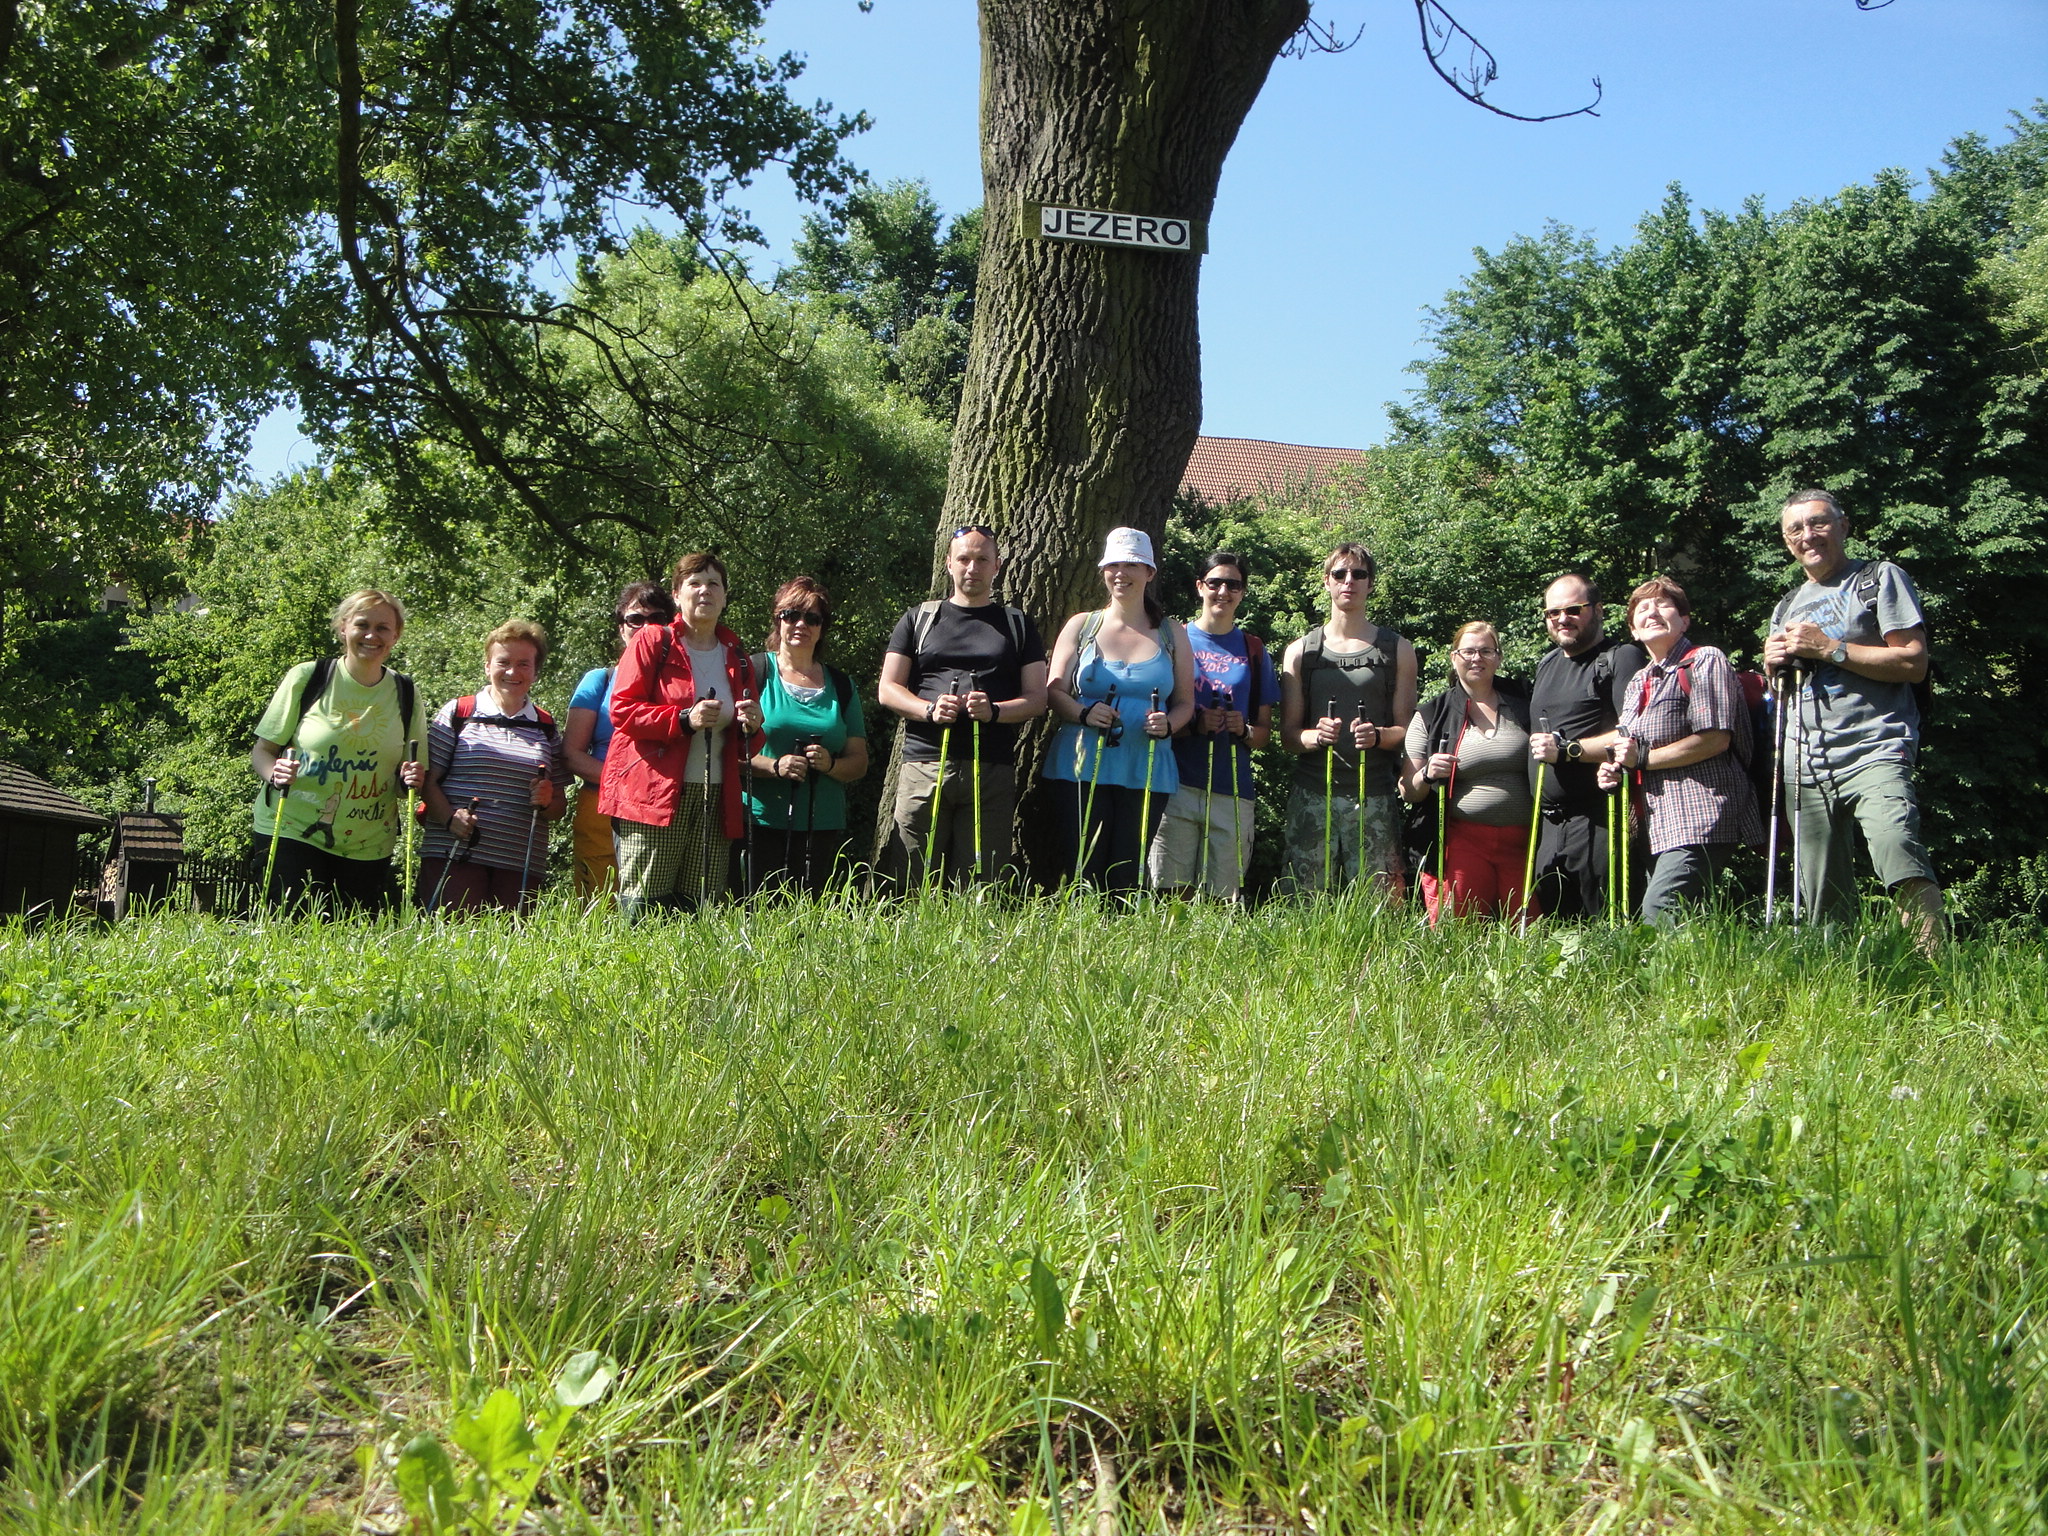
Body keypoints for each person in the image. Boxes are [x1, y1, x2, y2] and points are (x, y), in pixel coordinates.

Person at [1763, 488, 1942, 950]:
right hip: (1804, 758)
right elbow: (1779, 693)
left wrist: (1830, 648)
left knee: (1896, 848)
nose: (1808, 535)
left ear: (1843, 526)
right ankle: (1840, 980)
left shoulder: (1879, 579)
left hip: (1875, 745)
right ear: (1787, 541)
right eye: (1796, 529)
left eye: (1819, 522)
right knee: (1821, 888)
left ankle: (1932, 969)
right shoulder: (1785, 606)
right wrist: (1771, 665)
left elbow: (1913, 662)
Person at [879, 525, 1048, 886]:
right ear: (949, 564)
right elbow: (888, 689)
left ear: (997, 565)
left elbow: (1038, 699)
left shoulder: (1017, 624)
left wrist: (996, 710)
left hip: (990, 769)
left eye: (982, 559)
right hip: (924, 764)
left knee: (981, 883)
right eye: (964, 559)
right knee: (910, 877)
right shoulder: (919, 618)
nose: (972, 568)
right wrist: (928, 709)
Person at [600, 552, 764, 917]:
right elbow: (622, 710)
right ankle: (638, 973)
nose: (704, 591)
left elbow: (748, 746)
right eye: (694, 583)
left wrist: (752, 724)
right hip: (654, 796)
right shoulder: (653, 641)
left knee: (700, 905)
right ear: (677, 594)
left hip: (717, 797)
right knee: (645, 904)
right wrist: (684, 719)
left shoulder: (737, 656)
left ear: (724, 595)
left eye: (714, 584)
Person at [1596, 578, 1763, 926]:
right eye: (1642, 608)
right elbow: (1628, 745)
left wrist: (1642, 759)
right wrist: (1615, 768)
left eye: (1663, 604)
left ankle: (1654, 980)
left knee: (1660, 911)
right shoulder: (1638, 681)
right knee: (1686, 921)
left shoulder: (1704, 661)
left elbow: (1715, 738)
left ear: (1685, 620)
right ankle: (1696, 979)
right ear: (1633, 631)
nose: (1652, 612)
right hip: (1655, 822)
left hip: (1701, 813)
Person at [251, 589, 428, 913]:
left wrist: (410, 780)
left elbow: (409, 781)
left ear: (396, 635)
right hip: (292, 827)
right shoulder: (309, 677)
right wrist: (274, 773)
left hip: (369, 842)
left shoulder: (405, 692)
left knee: (350, 946)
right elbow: (263, 751)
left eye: (383, 628)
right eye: (362, 624)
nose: (371, 635)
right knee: (288, 935)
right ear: (343, 627)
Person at [1045, 527, 1196, 891]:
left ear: (1150, 573)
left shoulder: (1172, 633)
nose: (1120, 573)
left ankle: (1122, 943)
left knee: (1128, 872)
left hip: (1146, 766)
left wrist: (1168, 724)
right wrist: (1083, 713)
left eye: (1132, 564)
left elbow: (1187, 703)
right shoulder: (1081, 626)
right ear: (1103, 572)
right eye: (1113, 565)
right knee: (1082, 868)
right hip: (1080, 764)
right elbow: (1054, 691)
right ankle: (1078, 942)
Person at [1278, 544, 1417, 896]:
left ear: (1371, 584)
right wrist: (1314, 736)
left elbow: (1407, 731)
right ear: (1327, 582)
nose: (1348, 581)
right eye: (1339, 574)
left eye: (1359, 574)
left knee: (1381, 909)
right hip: (1313, 794)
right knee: (1302, 904)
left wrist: (1378, 735)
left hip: (1374, 795)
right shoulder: (1301, 652)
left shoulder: (1397, 649)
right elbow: (1289, 737)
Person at [417, 619, 572, 912]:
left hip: (519, 864)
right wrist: (451, 819)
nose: (513, 672)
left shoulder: (546, 726)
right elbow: (427, 780)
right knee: (451, 945)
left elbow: (558, 807)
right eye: (503, 662)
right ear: (488, 666)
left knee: (510, 951)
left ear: (536, 672)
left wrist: (548, 799)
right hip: (455, 853)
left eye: (524, 664)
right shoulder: (458, 713)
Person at [1148, 551, 1277, 899]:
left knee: (1223, 898)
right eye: (1215, 582)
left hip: (1231, 789)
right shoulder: (1175, 639)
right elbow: (1153, 710)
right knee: (1172, 894)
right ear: (1199, 586)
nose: (1223, 591)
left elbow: (1264, 732)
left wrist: (1244, 729)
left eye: (1233, 584)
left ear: (1243, 592)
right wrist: (1192, 724)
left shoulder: (1253, 649)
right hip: (1176, 783)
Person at [1398, 622, 1536, 923]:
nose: (1477, 658)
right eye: (1469, 651)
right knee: (1461, 930)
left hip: (1528, 840)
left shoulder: (1527, 701)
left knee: (1530, 931)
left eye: (1486, 651)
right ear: (1453, 657)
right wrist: (1428, 774)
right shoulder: (1431, 714)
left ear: (1498, 657)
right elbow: (1408, 789)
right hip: (1462, 841)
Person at [1527, 573, 1646, 918]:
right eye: (1553, 613)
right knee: (1556, 933)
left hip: (1601, 819)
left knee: (1609, 924)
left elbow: (1632, 731)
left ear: (1598, 610)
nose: (1562, 619)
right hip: (1548, 826)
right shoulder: (1547, 664)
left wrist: (1568, 751)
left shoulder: (1621, 657)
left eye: (1573, 610)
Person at [745, 577, 869, 895]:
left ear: (822, 627)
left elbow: (858, 762)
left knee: (807, 922)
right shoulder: (753, 672)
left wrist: (829, 764)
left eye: (812, 618)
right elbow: (725, 754)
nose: (801, 624)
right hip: (757, 822)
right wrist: (775, 767)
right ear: (777, 619)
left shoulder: (841, 685)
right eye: (791, 615)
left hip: (821, 825)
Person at [563, 582, 677, 900]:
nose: (645, 627)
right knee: (598, 907)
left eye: (656, 619)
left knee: (652, 904)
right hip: (600, 806)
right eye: (635, 619)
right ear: (621, 627)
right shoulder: (599, 680)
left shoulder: (682, 682)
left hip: (662, 807)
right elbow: (570, 754)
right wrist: (625, 785)